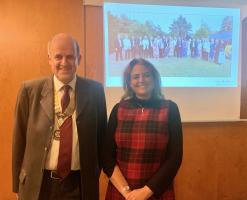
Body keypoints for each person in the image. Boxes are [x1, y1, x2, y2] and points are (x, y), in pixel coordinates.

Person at [12, 33, 107, 200]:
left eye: (70, 56)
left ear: (79, 58)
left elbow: (101, 141)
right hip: (38, 186)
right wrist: (18, 186)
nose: (64, 62)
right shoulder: (29, 90)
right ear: (50, 59)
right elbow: (19, 141)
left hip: (80, 186)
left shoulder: (95, 91)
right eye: (58, 57)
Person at [102, 58, 183, 200]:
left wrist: (145, 192)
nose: (142, 80)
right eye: (135, 76)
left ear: (154, 78)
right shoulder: (118, 109)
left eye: (146, 75)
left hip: (157, 193)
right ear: (129, 82)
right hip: (121, 193)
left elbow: (174, 158)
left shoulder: (170, 109)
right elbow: (106, 156)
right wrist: (127, 193)